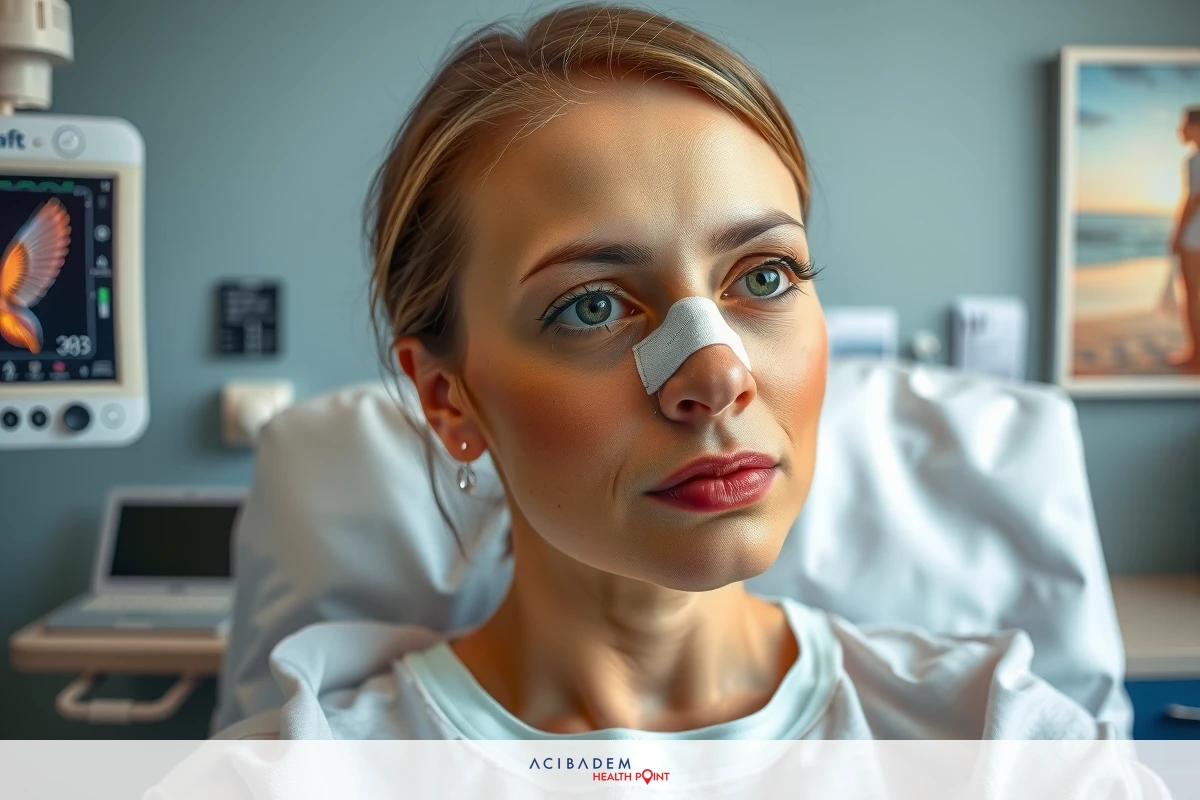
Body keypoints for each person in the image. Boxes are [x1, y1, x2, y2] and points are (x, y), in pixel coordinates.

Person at [219, 2, 1115, 742]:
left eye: (764, 277)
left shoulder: (999, 743)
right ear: (449, 397)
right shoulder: (303, 770)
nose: (717, 376)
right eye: (593, 305)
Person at [1169, 105, 1200, 372]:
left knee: (1192, 295)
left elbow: (1194, 199)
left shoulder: (1195, 159)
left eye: (1185, 124)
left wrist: (1177, 233)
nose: (1180, 129)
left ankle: (1196, 355)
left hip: (1195, 237)